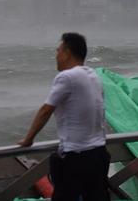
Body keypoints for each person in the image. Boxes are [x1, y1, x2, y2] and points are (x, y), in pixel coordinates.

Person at [18, 32, 110, 201]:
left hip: (77, 158)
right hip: (99, 154)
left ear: (67, 52)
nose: (56, 55)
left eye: (58, 50)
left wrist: (28, 139)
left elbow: (46, 109)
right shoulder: (92, 75)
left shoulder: (67, 76)